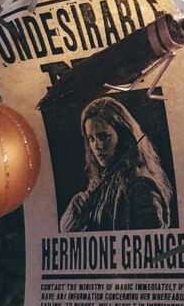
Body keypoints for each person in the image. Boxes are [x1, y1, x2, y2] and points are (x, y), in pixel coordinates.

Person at [60, 97, 173, 231]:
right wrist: (74, 214)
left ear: (123, 136)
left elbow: (151, 241)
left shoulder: (140, 186)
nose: (96, 146)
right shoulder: (102, 180)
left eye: (103, 137)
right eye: (91, 138)